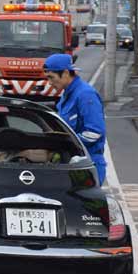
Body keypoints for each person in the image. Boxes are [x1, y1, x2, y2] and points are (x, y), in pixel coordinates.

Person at [43, 53, 107, 185]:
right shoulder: (67, 95)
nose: (49, 83)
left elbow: (95, 132)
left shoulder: (85, 94)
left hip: (87, 165)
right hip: (72, 164)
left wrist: (68, 144)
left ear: (65, 73)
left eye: (51, 77)